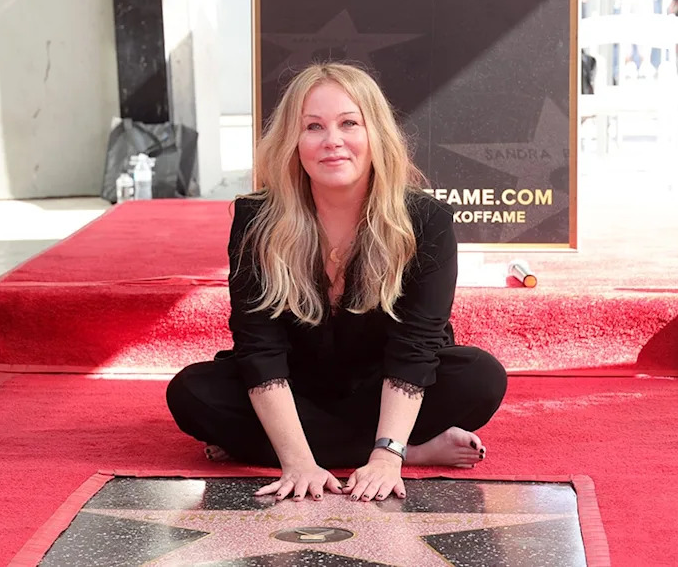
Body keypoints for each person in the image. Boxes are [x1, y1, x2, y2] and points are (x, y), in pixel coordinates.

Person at [167, 63, 507, 503]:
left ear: (376, 135)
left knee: (481, 379)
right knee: (192, 393)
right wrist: (296, 462)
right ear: (293, 141)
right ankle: (414, 450)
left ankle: (368, 447)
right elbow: (259, 347)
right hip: (296, 387)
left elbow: (416, 347)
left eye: (349, 123)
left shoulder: (427, 221)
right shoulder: (256, 220)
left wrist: (385, 459)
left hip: (383, 386)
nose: (333, 140)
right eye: (313, 126)